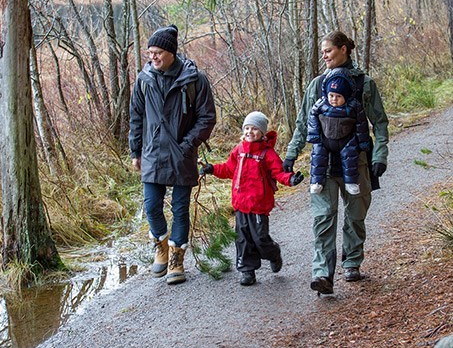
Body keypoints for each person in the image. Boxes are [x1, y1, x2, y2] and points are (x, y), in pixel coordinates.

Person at [283, 31, 389, 295]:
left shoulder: (365, 84)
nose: (324, 55)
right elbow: (301, 124)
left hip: (358, 164)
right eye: (322, 52)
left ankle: (352, 262)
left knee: (355, 216)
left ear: (344, 49)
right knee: (323, 217)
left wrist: (380, 156)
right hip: (323, 165)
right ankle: (322, 273)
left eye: (328, 50)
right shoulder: (317, 85)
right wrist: (290, 155)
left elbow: (380, 122)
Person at [129, 24, 217, 285]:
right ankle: (161, 245)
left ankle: (177, 258)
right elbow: (136, 117)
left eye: (157, 52)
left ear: (170, 52)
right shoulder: (144, 79)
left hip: (182, 154)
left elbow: (207, 117)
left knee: (180, 209)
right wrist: (136, 150)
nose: (152, 57)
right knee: (151, 206)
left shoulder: (194, 79)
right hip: (153, 153)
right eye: (150, 53)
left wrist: (188, 144)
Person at [199, 111, 304, 286]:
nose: (249, 132)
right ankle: (247, 271)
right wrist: (212, 169)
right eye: (247, 128)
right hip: (240, 203)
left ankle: (273, 253)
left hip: (259, 204)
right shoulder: (239, 151)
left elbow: (279, 172)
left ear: (262, 133)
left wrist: (291, 179)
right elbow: (228, 169)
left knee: (260, 239)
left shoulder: (267, 154)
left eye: (254, 129)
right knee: (243, 238)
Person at [307, 67, 371, 196]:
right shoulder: (321, 104)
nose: (334, 99)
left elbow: (361, 124)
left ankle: (351, 182)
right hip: (325, 139)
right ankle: (316, 182)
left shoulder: (353, 106)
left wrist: (363, 142)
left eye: (338, 96)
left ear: (346, 96)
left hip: (346, 139)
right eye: (331, 95)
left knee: (350, 157)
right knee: (318, 156)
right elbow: (312, 117)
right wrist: (313, 134)